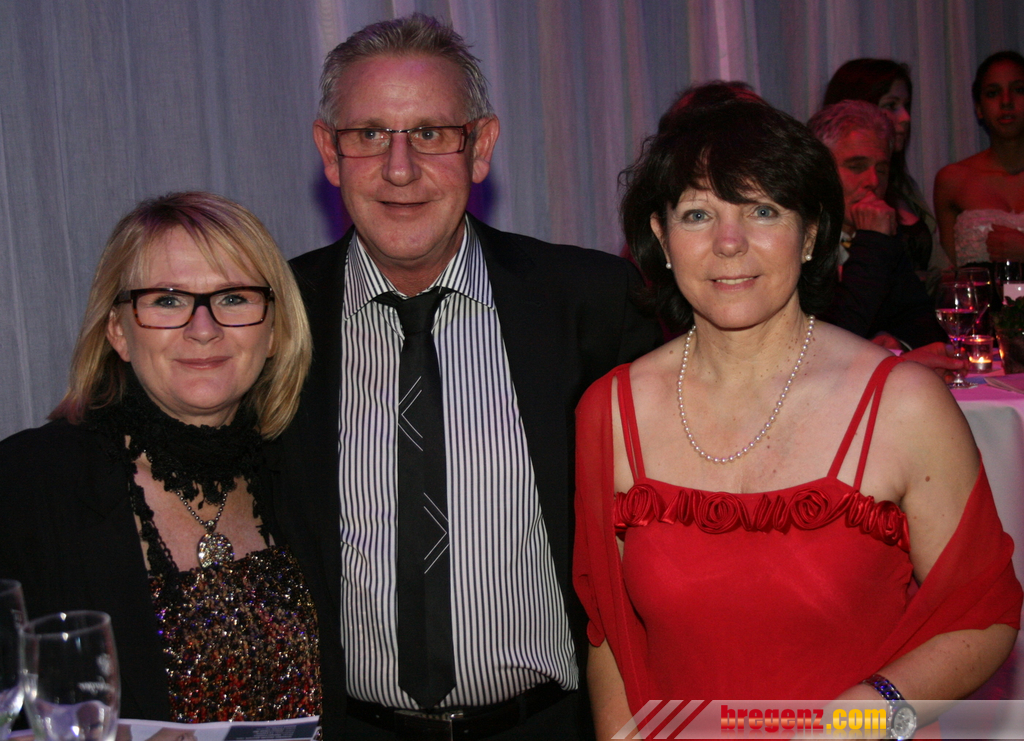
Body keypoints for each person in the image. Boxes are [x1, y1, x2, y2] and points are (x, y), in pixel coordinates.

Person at [573, 97, 1021, 739]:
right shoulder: (612, 412)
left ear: (810, 234)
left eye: (762, 210)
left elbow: (984, 615)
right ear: (662, 238)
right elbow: (608, 631)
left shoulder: (903, 404)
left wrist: (858, 718)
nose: (729, 242)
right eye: (698, 214)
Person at [271, 13, 660, 741]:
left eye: (430, 133)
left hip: (552, 727)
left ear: (480, 147)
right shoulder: (272, 320)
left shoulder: (592, 304)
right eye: (369, 134)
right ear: (330, 151)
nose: (399, 168)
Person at [0, 192, 319, 722]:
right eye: (167, 300)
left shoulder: (312, 468)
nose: (204, 328)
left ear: (273, 331)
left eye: (234, 297)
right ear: (118, 332)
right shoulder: (27, 485)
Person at [808, 101, 951, 359]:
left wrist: (899, 342)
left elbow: (925, 322)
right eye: (856, 166)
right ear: (818, 170)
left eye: (882, 170)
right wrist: (872, 240)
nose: (873, 181)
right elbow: (832, 338)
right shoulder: (799, 239)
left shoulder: (883, 233)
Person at [824, 58, 938, 273]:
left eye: (906, 106)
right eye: (890, 106)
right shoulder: (819, 223)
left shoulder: (904, 185)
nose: (905, 118)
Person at [935, 50, 1024, 266]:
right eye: (993, 93)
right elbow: (950, 274)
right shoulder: (953, 180)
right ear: (978, 108)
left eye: (1019, 90)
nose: (1006, 101)